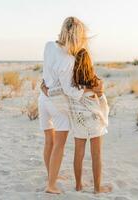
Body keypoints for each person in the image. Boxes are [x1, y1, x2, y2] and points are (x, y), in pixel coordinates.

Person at [38, 16, 103, 194]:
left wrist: (44, 86)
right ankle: (51, 184)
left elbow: (45, 70)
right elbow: (70, 91)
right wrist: (90, 88)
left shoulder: (49, 45)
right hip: (57, 103)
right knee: (59, 144)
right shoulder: (68, 59)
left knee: (48, 141)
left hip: (43, 97)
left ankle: (51, 174)